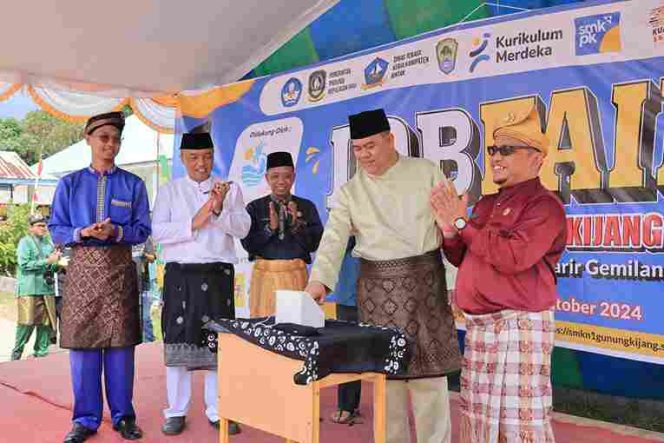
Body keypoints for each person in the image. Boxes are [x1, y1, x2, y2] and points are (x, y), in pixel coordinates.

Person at [306, 109, 462, 443]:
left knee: (429, 379)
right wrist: (319, 281)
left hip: (426, 285)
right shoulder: (350, 192)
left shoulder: (426, 172)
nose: (364, 155)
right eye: (358, 149)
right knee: (386, 383)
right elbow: (333, 239)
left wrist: (453, 282)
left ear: (390, 140)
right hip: (379, 294)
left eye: (370, 146)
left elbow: (447, 228)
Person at [433, 103, 566, 442]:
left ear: (536, 157)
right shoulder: (488, 203)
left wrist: (462, 221)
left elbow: (512, 257)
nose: (495, 157)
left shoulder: (544, 205)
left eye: (507, 150)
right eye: (493, 149)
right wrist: (450, 230)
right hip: (481, 329)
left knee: (519, 426)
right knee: (479, 419)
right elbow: (461, 256)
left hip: (519, 327)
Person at [49, 111, 151, 443]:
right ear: (88, 139)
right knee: (83, 348)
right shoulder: (70, 183)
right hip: (81, 272)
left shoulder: (133, 184)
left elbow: (143, 230)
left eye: (116, 139)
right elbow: (55, 230)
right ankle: (85, 419)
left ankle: (123, 416)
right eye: (104, 137)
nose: (110, 144)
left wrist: (116, 230)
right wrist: (82, 231)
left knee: (121, 347)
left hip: (119, 273)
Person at [152, 131, 251, 436]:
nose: (201, 163)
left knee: (215, 346)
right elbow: (158, 232)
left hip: (217, 276)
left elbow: (244, 228)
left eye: (207, 156)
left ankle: (218, 410)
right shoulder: (170, 190)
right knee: (178, 343)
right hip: (180, 277)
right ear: (183, 159)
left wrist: (218, 210)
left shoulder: (228, 190)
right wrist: (192, 223)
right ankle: (176, 411)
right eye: (194, 157)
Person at [241, 151, 323, 317]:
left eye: (286, 176)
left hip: (296, 277)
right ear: (266, 178)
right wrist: (269, 229)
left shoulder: (306, 207)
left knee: (296, 329)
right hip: (264, 279)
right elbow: (248, 245)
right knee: (263, 331)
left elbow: (315, 245)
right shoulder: (255, 208)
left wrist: (296, 226)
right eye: (275, 176)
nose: (281, 181)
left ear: (293, 177)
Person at [11, 214, 60, 360]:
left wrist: (58, 264)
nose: (43, 228)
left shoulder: (48, 243)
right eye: (39, 226)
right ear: (31, 228)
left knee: (46, 323)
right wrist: (47, 261)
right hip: (29, 289)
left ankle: (41, 354)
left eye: (44, 226)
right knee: (26, 323)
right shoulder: (25, 243)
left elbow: (52, 266)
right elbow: (24, 265)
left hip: (46, 289)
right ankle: (16, 354)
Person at [329, 236, 362, 425]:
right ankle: (347, 405)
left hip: (381, 292)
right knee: (348, 351)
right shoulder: (345, 212)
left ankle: (390, 407)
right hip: (348, 294)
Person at [132, 237, 156, 342]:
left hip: (143, 285)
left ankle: (149, 343)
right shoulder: (124, 238)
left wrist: (144, 255)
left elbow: (153, 258)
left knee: (145, 318)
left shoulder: (145, 239)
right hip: (127, 286)